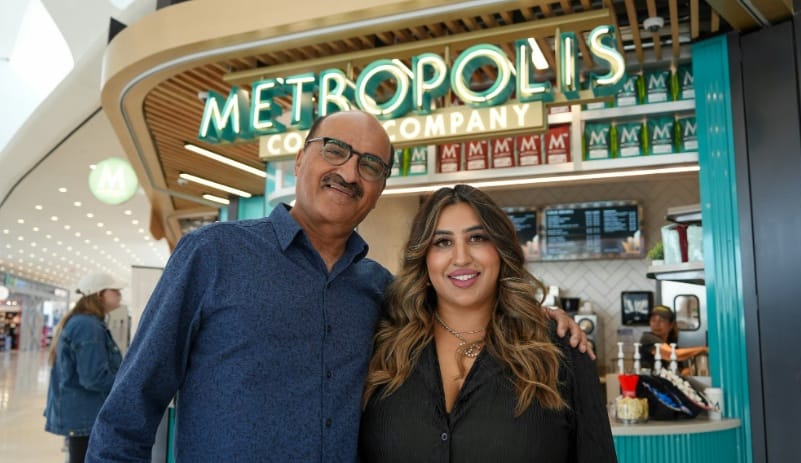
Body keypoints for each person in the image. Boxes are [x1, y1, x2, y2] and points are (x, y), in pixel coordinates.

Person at [86, 111, 589, 462]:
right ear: (301, 159)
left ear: (379, 189)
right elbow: (130, 409)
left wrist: (537, 317)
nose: (349, 172)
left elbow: (461, 310)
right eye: (336, 151)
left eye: (370, 165)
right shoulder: (213, 254)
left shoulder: (381, 293)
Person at [360, 184, 616, 462]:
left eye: (477, 238)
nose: (461, 258)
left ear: (500, 250)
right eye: (442, 242)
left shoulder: (560, 351)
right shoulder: (382, 348)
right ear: (424, 258)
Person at [44, 271, 125, 463]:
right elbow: (93, 377)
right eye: (115, 290)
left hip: (83, 413)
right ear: (99, 294)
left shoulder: (86, 323)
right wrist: (126, 383)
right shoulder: (87, 326)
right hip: (84, 414)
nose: (119, 294)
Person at [639, 304, 708, 375]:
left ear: (671, 325)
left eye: (661, 320)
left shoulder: (671, 345)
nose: (656, 324)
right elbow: (672, 355)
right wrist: (703, 349)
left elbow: (680, 372)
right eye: (653, 320)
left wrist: (697, 368)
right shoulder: (647, 338)